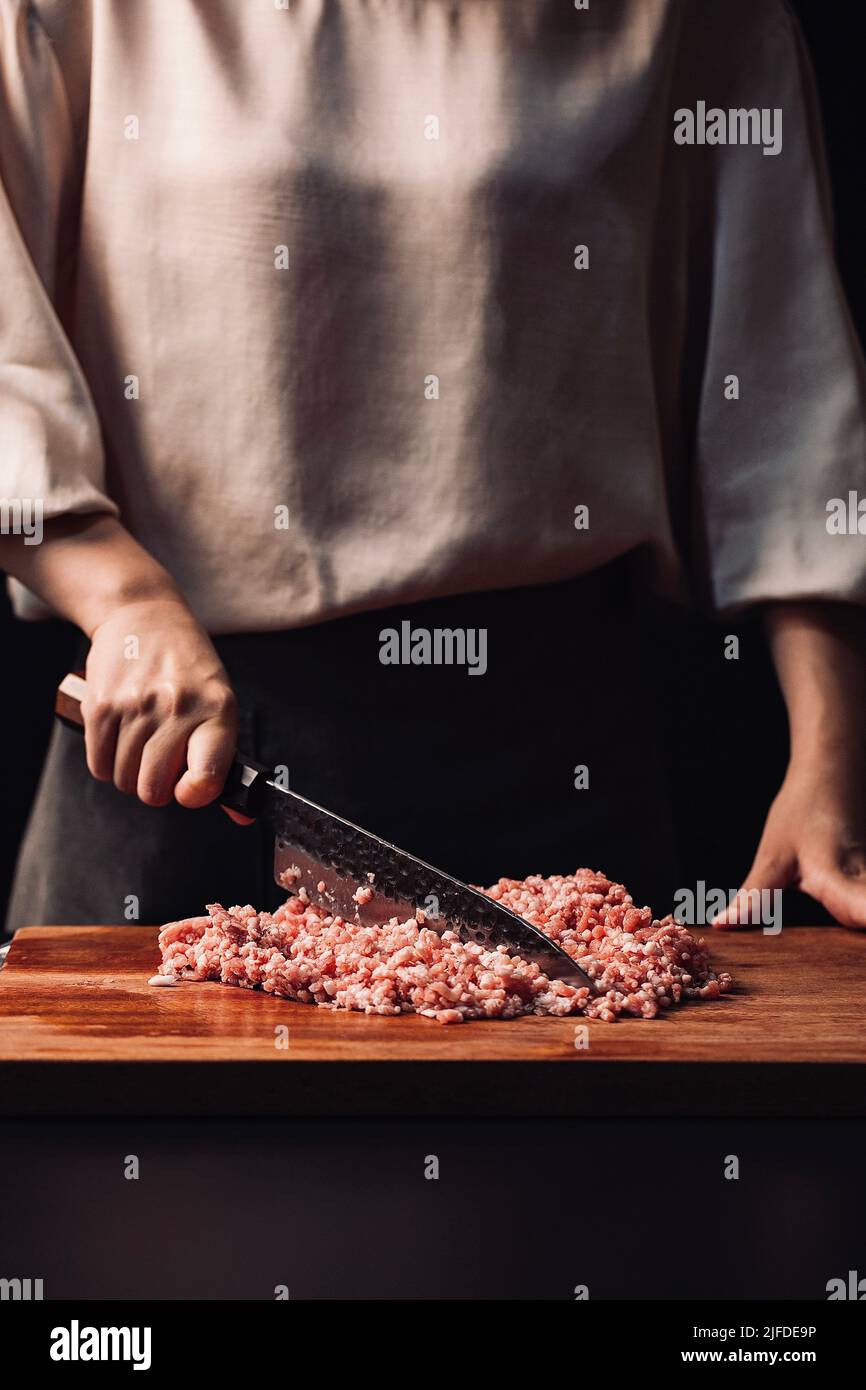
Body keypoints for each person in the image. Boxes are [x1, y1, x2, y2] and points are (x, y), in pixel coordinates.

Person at [1, 0, 865, 934]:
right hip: (173, 743)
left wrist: (831, 765)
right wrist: (122, 598)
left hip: (553, 761)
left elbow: (786, 396)